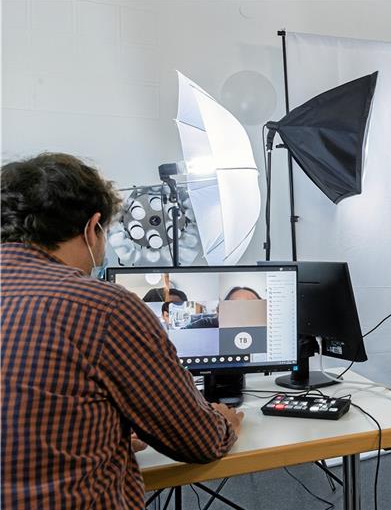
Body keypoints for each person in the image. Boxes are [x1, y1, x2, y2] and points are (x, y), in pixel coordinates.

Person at [0, 153, 244, 509]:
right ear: (92, 228)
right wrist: (224, 422)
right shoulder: (103, 307)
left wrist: (98, 432)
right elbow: (198, 441)